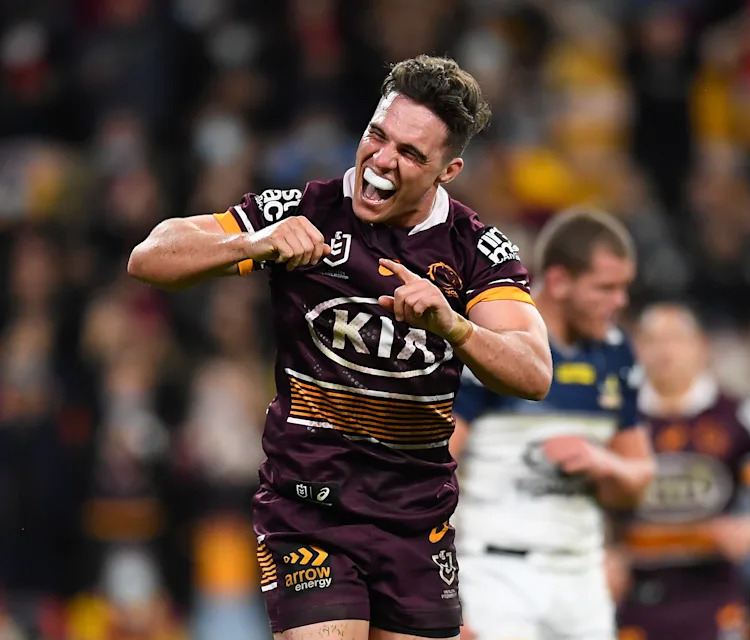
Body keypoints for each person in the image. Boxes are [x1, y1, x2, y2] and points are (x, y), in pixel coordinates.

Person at [128, 55, 553, 640]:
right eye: (378, 136)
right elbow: (149, 256)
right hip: (310, 508)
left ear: (447, 170)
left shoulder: (477, 251)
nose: (381, 161)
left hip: (416, 519)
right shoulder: (304, 211)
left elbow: (533, 373)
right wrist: (254, 241)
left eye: (410, 154)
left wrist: (454, 326)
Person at [449, 209, 657, 640]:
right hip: (493, 573)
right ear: (559, 282)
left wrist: (604, 464)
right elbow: (436, 464)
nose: (620, 302)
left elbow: (638, 479)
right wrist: (438, 584)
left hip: (582, 574)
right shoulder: (498, 343)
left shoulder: (617, 353)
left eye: (624, 288)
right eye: (606, 288)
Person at [615, 302, 750, 640]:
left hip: (713, 590)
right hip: (635, 593)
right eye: (653, 340)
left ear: (701, 347)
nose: (665, 350)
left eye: (676, 338)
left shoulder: (738, 418)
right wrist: (603, 551)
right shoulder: (613, 418)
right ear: (635, 349)